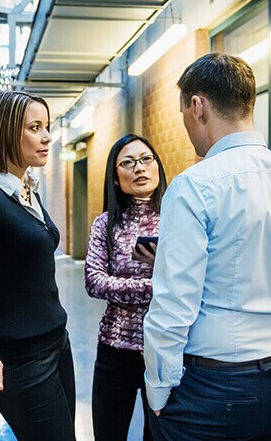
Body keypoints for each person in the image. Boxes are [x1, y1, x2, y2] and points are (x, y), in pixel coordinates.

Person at [143, 53, 271, 440]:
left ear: (198, 106)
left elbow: (174, 303)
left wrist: (158, 385)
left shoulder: (193, 186)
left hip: (213, 387)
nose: (188, 128)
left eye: (183, 115)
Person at [0, 91, 75, 440]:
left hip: (57, 344)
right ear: (6, 132)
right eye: (35, 127)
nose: (47, 136)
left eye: (46, 126)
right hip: (23, 362)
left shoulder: (26, 190)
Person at [85, 134, 167, 441]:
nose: (139, 168)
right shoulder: (105, 224)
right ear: (116, 178)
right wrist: (157, 284)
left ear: (157, 166)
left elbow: (198, 281)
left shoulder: (179, 219)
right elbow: (94, 282)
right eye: (128, 163)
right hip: (114, 351)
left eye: (146, 159)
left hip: (165, 349)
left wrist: (161, 276)